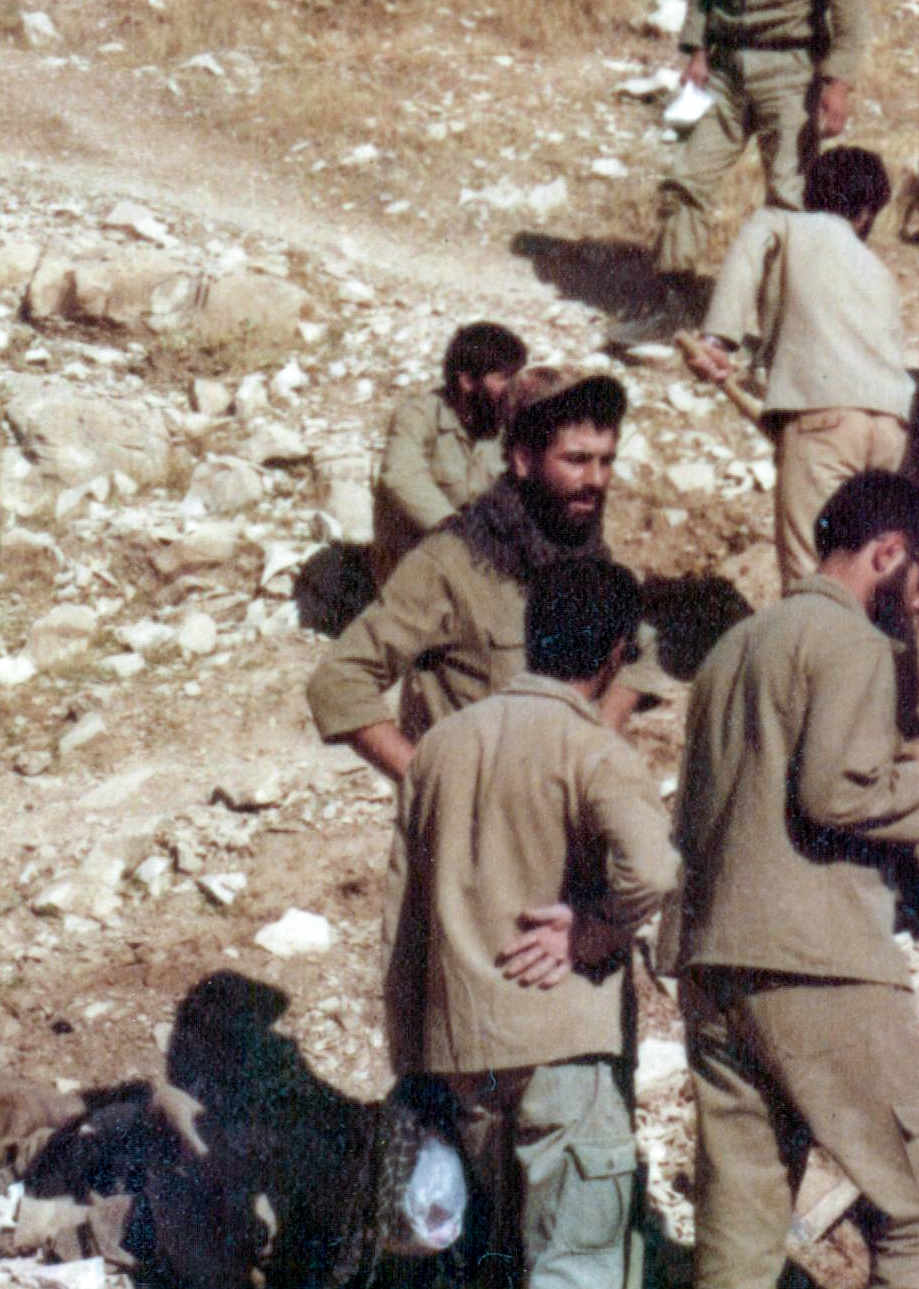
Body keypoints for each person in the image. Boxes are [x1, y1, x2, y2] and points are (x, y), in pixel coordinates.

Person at [671, 471, 919, 1289]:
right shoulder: (854, 643)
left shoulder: (735, 648)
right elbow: (835, 792)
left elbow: (761, 804)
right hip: (817, 968)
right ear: (887, 552)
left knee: (740, 1238)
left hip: (715, 964)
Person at [385, 558, 678, 1289]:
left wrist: (411, 1057)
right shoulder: (595, 750)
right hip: (562, 1048)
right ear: (617, 653)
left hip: (461, 1051)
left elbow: (402, 915)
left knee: (497, 1260)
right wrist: (595, 930)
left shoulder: (440, 748)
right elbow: (654, 868)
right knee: (574, 1264)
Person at [308, 368, 628, 780]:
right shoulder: (450, 561)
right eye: (577, 460)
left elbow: (634, 655)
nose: (596, 480)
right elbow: (339, 681)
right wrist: (430, 788)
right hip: (477, 812)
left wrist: (603, 739)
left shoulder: (588, 554)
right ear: (524, 460)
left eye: (606, 461)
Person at [654, 0, 871, 311]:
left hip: (790, 73)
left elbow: (850, 16)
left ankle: (779, 318)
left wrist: (837, 85)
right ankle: (671, 301)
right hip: (725, 70)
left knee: (790, 197)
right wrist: (696, 52)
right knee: (686, 179)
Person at [683, 146, 914, 589]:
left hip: (823, 422)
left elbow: (746, 259)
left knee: (814, 577)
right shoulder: (878, 270)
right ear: (866, 213)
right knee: (871, 581)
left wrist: (717, 340)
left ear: (809, 193)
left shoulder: (782, 223)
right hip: (891, 430)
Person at [374, 321, 528, 575]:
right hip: (416, 566)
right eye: (504, 378)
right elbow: (402, 477)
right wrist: (461, 536)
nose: (514, 387)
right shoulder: (419, 415)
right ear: (467, 381)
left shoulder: (505, 422)